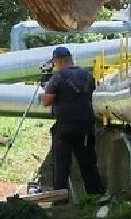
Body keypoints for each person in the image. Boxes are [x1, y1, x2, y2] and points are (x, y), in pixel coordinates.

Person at [39, 46, 105, 198]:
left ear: (59, 61)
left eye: (55, 62)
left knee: (61, 164)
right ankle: (95, 196)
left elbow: (47, 101)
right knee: (88, 162)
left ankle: (60, 199)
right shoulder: (88, 75)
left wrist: (46, 88)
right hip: (86, 127)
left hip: (65, 127)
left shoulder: (58, 77)